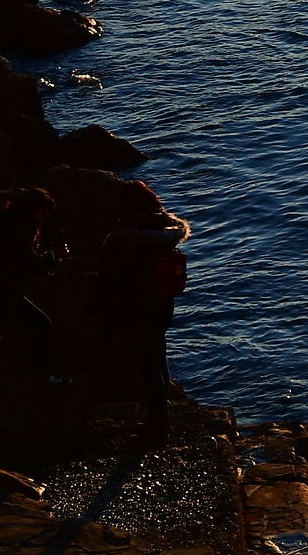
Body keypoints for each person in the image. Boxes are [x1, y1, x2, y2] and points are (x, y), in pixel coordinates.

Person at [90, 181, 191, 448]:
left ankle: (156, 427)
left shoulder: (124, 238)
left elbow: (107, 269)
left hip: (136, 306)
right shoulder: (162, 229)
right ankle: (160, 420)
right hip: (162, 303)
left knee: (148, 367)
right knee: (158, 359)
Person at [0, 188, 69, 406]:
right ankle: (41, 378)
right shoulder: (19, 229)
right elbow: (29, 265)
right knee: (40, 325)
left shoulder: (3, 223)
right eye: (43, 214)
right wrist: (54, 255)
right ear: (32, 210)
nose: (44, 221)